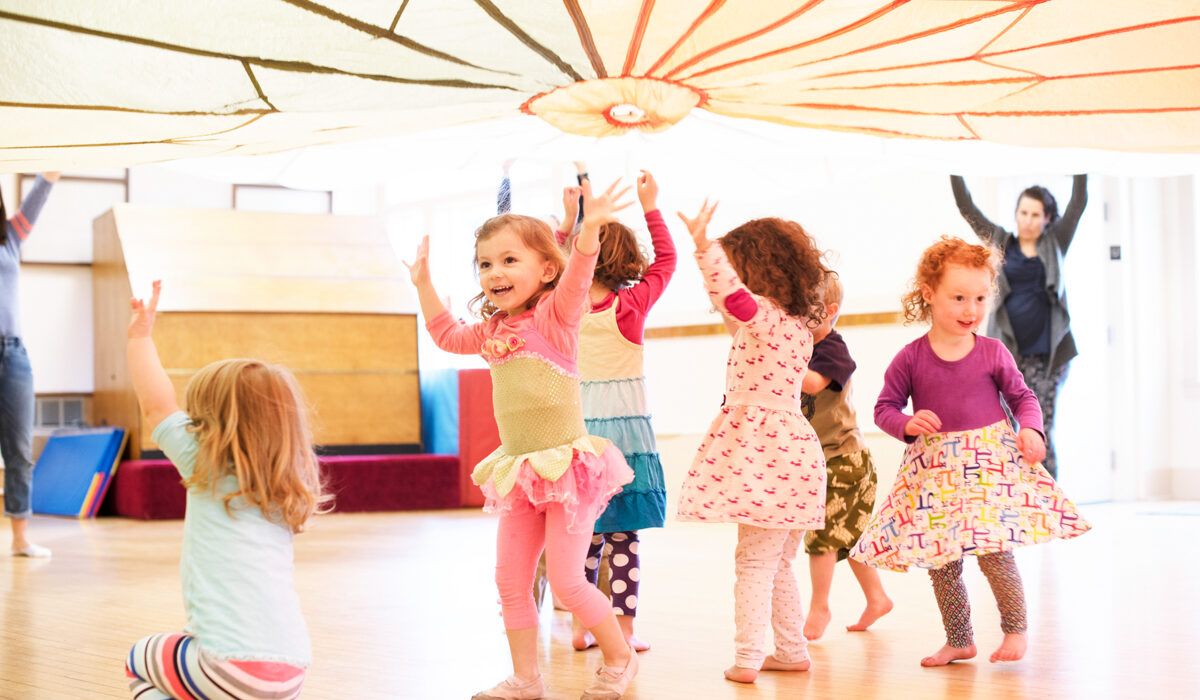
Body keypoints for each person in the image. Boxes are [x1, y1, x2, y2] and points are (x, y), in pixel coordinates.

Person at [407, 180, 639, 700]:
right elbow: (445, 334)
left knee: (567, 580)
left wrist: (589, 230)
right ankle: (526, 678)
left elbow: (578, 275)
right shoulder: (491, 332)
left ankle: (620, 659)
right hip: (520, 472)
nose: (494, 273)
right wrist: (422, 282)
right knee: (510, 582)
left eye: (509, 260)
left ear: (545, 270)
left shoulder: (557, 318)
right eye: (485, 264)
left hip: (569, 469)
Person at [851, 236, 1091, 667]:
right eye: (959, 297)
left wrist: (1032, 429)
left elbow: (1023, 398)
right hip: (936, 472)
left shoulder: (992, 352)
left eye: (980, 298)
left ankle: (1015, 629)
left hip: (988, 467)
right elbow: (884, 408)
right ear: (929, 294)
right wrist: (906, 423)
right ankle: (959, 639)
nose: (971, 310)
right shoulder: (910, 358)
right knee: (942, 563)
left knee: (995, 553)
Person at [123, 281, 326, 699]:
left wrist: (139, 338)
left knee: (138, 661)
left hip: (225, 666)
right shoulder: (288, 481)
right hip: (291, 672)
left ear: (211, 423)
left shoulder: (206, 460)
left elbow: (156, 404)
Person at [674, 205, 831, 684]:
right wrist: (712, 267)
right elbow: (730, 307)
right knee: (778, 561)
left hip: (770, 452)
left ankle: (747, 657)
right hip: (794, 452)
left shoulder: (765, 317)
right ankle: (791, 650)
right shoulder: (796, 327)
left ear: (759, 271)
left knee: (754, 562)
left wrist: (704, 250)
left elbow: (735, 300)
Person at [556, 170, 675, 653]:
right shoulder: (627, 305)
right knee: (622, 539)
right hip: (619, 440)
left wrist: (568, 223)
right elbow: (665, 261)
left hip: (581, 436)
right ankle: (619, 630)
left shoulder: (563, 306)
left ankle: (586, 627)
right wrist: (651, 206)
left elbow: (552, 263)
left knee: (584, 536)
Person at [949, 174, 1088, 478]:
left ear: (1047, 218)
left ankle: (1050, 508)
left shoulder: (1055, 243)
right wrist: (954, 163)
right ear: (1015, 213)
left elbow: (1078, 204)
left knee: (1040, 430)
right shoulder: (1001, 241)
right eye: (1023, 212)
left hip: (1048, 359)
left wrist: (1081, 159)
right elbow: (967, 207)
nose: (1027, 220)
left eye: (1035, 214)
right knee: (1006, 430)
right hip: (1008, 358)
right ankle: (1014, 499)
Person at [797, 274, 892, 641]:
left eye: (805, 313)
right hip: (826, 459)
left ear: (830, 312)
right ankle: (877, 597)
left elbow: (813, 384)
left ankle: (820, 606)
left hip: (846, 460)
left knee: (821, 537)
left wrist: (777, 360)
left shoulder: (833, 349)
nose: (797, 321)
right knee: (850, 538)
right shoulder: (804, 345)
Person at [2, 171, 59, 558]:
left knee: (19, 449)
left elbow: (42, 189)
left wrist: (55, 161)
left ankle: (21, 537)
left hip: (12, 355)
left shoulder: (10, 237)